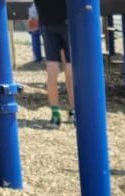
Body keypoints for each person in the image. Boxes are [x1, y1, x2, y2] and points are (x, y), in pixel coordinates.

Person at [34, 0, 75, 128]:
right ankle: (74, 111)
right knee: (70, 68)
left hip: (47, 22)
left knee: (52, 70)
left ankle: (55, 115)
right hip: (66, 21)